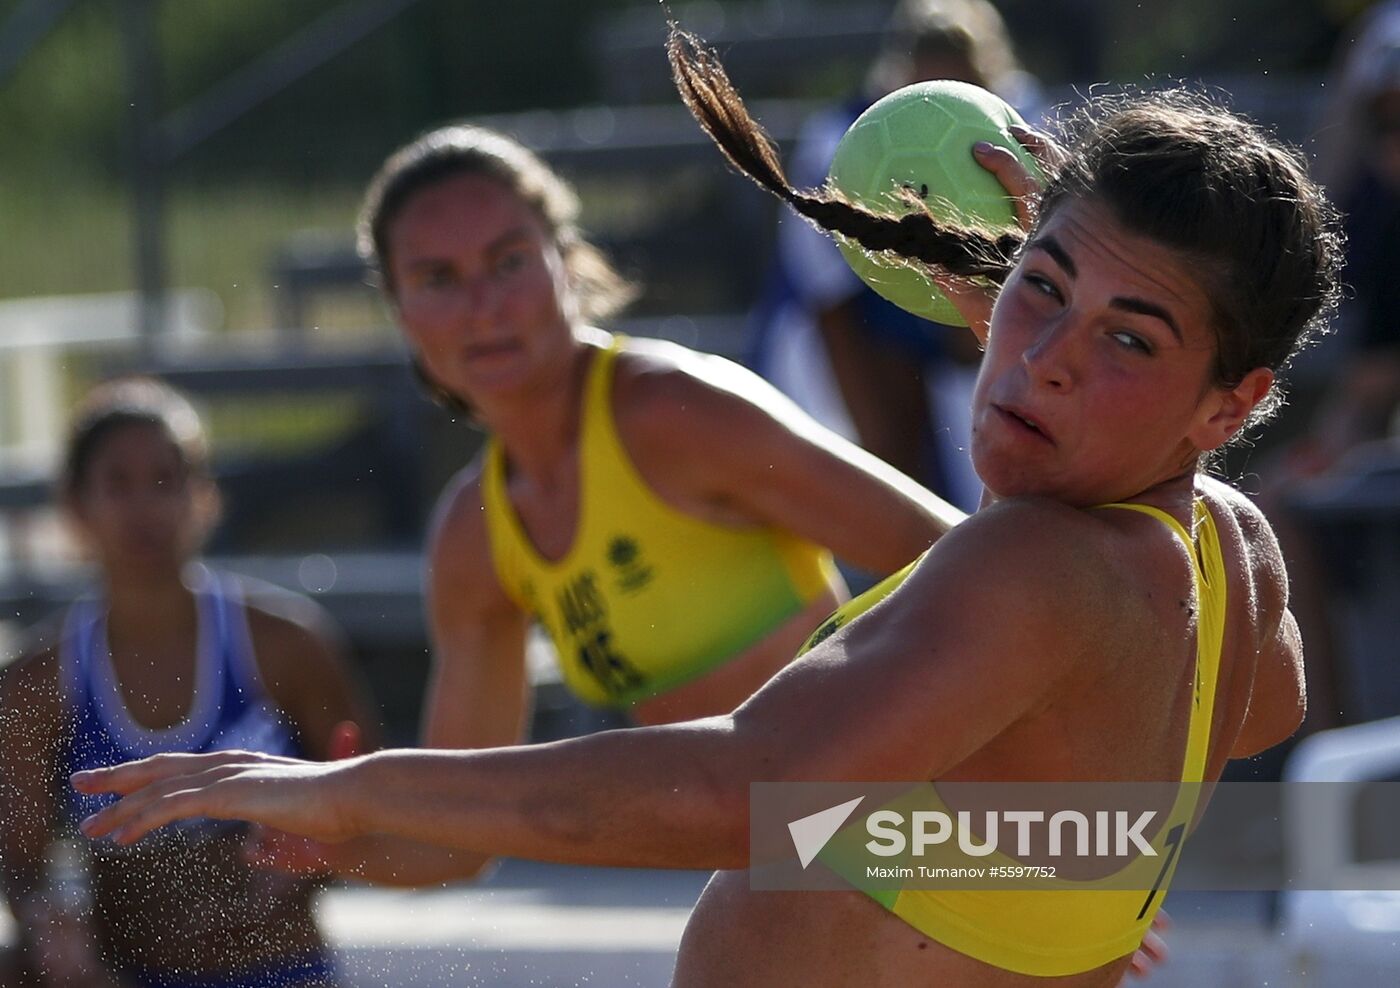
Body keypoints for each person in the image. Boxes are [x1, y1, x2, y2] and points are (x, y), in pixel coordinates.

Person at [69, 25, 1338, 985]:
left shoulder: (1010, 555)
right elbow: (1229, 711)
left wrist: (358, 790)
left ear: (1230, 404)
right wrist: (1043, 853)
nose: (1048, 351)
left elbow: (744, 786)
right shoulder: (1221, 545)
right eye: (1039, 287)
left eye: (1129, 340)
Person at [0, 378, 379, 987]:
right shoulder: (38, 683)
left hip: (280, 969)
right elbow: (21, 863)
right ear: (75, 508)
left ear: (205, 496)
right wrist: (50, 923)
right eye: (117, 483)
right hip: (128, 974)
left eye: (165, 479)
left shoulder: (287, 645)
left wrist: (314, 853)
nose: (144, 508)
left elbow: (379, 803)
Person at [752, 0, 1039, 511]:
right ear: (897, 83)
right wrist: (882, 451)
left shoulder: (1026, 133)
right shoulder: (837, 142)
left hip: (977, 323)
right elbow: (827, 301)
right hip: (859, 327)